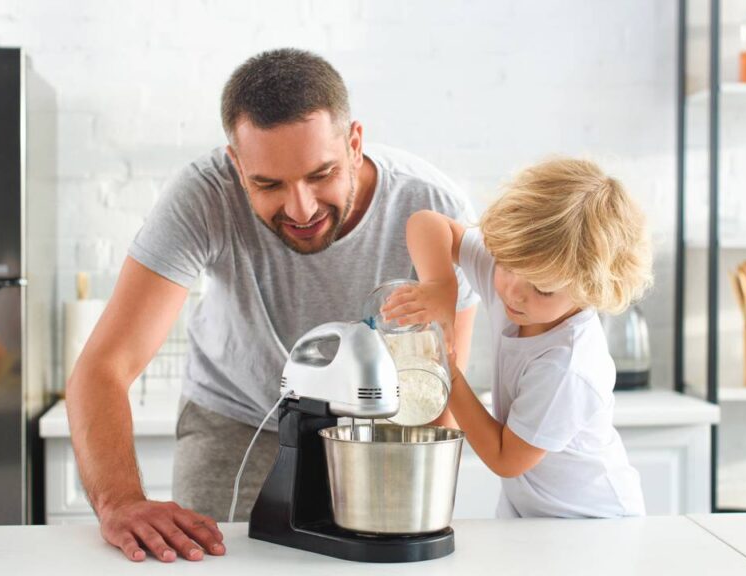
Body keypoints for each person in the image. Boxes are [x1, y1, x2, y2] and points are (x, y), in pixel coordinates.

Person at [66, 48, 479, 563]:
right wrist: (120, 502)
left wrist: (417, 508)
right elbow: (103, 367)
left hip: (374, 432)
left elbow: (441, 390)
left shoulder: (434, 209)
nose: (300, 208)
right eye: (268, 184)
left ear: (354, 144)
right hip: (236, 418)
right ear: (236, 165)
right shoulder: (203, 195)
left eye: (320, 175)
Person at [382, 157, 652, 518]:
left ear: (590, 290)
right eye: (506, 265)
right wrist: (439, 285)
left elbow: (506, 458)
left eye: (542, 289)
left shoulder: (567, 366)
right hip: (531, 511)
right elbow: (427, 223)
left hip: (591, 521)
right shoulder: (523, 272)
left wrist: (448, 372)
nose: (513, 292)